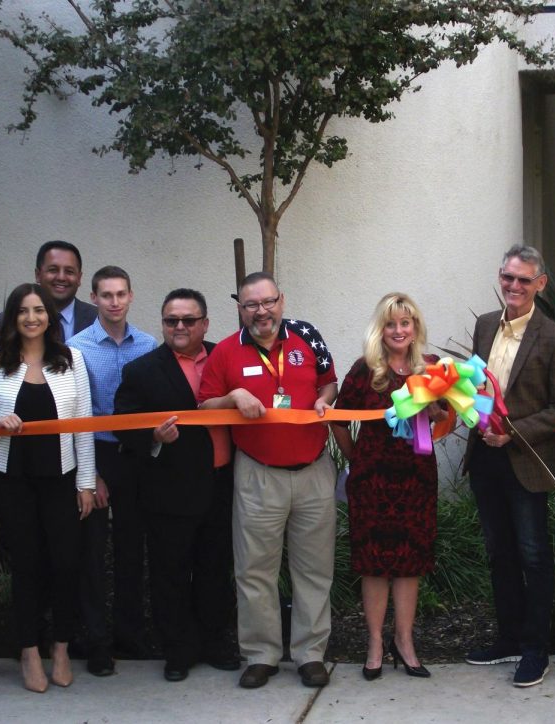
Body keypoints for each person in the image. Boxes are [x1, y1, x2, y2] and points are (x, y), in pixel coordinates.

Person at [198, 271, 338, 690]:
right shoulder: (225, 352)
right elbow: (204, 405)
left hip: (313, 470)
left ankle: (311, 654)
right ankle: (261, 654)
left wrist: (324, 400)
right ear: (240, 309)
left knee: (314, 569)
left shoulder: (307, 338)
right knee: (255, 569)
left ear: (282, 300)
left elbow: (329, 382)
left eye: (268, 302)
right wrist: (233, 398)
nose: (261, 311)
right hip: (258, 473)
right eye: (251, 305)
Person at [463, 245, 555, 688]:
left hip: (527, 462)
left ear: (540, 284)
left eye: (523, 280)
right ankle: (509, 638)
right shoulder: (485, 325)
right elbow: (478, 386)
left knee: (533, 557)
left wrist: (514, 433)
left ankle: (536, 649)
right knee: (499, 555)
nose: (513, 286)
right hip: (485, 459)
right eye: (508, 278)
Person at [113, 289, 238, 682]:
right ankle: (178, 651)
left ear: (205, 323)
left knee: (215, 569)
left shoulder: (226, 358)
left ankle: (214, 642)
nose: (179, 327)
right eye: (171, 320)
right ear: (163, 324)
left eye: (188, 320)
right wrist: (153, 437)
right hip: (170, 491)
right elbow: (124, 427)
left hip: (223, 484)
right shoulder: (142, 371)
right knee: (170, 574)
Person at [331, 292, 445, 681]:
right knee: (375, 565)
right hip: (373, 482)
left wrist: (435, 412)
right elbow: (338, 419)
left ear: (415, 328)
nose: (398, 330)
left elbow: (450, 418)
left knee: (409, 565)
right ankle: (375, 643)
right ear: (381, 329)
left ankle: (405, 641)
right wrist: (356, 459)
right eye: (391, 323)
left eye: (405, 322)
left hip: (416, 479)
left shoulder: (431, 369)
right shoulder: (365, 370)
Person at [0, 283, 95, 692]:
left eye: (39, 310)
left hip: (60, 479)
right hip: (12, 480)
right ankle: (29, 651)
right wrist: (0, 419)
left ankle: (61, 647)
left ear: (50, 317)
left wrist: (86, 483)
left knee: (67, 564)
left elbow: (85, 426)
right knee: (27, 566)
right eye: (23, 310)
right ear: (12, 317)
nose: (31, 317)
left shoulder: (72, 360)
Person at [67, 266, 158, 675]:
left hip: (136, 459)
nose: (115, 302)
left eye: (121, 294)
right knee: (91, 552)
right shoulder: (77, 348)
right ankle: (96, 640)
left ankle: (130, 635)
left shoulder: (149, 345)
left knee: (130, 549)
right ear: (94, 297)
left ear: (131, 296)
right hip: (96, 456)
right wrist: (91, 475)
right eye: (106, 295)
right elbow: (73, 417)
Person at [0, 241, 97, 345]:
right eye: (53, 270)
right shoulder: (4, 322)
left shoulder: (99, 320)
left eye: (69, 271)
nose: (61, 277)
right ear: (38, 275)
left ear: (79, 278)